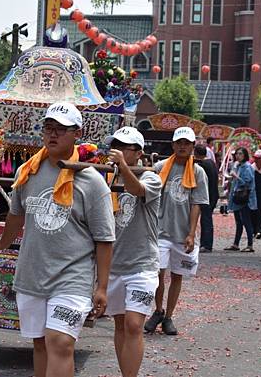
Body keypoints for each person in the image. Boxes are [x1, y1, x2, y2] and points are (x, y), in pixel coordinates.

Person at [0, 102, 115, 377]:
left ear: (77, 134)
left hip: (72, 277)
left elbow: (104, 239)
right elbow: (15, 215)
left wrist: (102, 286)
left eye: (61, 129)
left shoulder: (91, 181)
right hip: (32, 275)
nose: (53, 135)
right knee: (40, 345)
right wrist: (0, 244)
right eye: (48, 128)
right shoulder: (28, 171)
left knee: (59, 343)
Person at [104, 127, 161, 377]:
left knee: (134, 324)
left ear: (138, 153)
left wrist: (122, 169)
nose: (116, 149)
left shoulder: (151, 177)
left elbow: (137, 190)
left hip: (142, 265)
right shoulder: (105, 177)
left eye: (123, 146)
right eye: (114, 144)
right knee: (119, 324)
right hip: (114, 264)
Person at [144, 127, 208, 335]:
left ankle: (169, 316)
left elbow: (196, 204)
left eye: (186, 143)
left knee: (177, 275)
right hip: (160, 230)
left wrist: (191, 233)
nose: (182, 146)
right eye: (179, 143)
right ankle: (158, 310)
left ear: (192, 146)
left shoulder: (198, 172)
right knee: (157, 274)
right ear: (173, 145)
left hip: (182, 233)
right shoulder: (161, 167)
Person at [225, 148, 257, 252]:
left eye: (240, 154)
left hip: (244, 198)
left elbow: (246, 183)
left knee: (246, 221)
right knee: (239, 221)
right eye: (237, 154)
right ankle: (236, 243)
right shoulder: (238, 165)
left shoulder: (247, 167)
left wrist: (236, 176)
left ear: (245, 155)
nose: (238, 156)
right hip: (238, 197)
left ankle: (250, 245)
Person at [193, 144, 219, 252]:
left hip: (206, 195)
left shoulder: (201, 165)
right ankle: (206, 243)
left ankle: (206, 245)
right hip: (213, 194)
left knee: (206, 220)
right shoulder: (211, 163)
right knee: (207, 219)